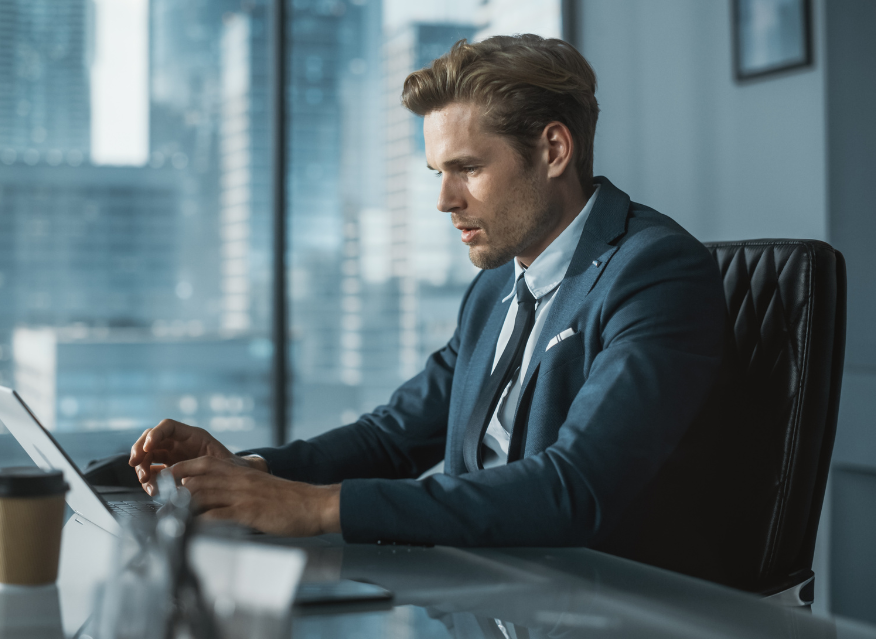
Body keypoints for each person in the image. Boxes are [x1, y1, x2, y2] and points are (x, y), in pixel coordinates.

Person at [128, 34, 727, 562]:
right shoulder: (496, 284)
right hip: (480, 582)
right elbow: (391, 437)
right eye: (437, 173)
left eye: (466, 168)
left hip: (601, 605)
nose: (445, 201)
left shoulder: (654, 272)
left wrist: (317, 509)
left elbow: (575, 489)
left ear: (553, 150)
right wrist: (251, 474)